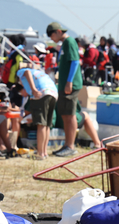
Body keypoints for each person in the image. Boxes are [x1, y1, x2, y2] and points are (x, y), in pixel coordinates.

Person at [47, 22, 82, 157]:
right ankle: (67, 144)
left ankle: (70, 146)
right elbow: (66, 63)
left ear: (59, 32)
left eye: (52, 35)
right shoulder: (64, 45)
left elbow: (75, 62)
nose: (51, 38)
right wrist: (55, 70)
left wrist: (69, 81)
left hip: (70, 84)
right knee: (65, 114)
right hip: (63, 84)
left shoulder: (69, 42)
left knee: (70, 114)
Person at [15, 67, 58, 160]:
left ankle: (40, 153)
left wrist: (33, 89)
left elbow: (26, 72)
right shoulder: (39, 73)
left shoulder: (21, 72)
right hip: (53, 93)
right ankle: (44, 152)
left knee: (41, 124)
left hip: (41, 93)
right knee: (46, 125)